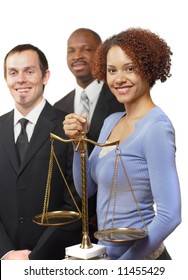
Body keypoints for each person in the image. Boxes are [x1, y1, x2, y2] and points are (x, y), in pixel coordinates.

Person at [63, 27, 182, 259]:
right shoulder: (111, 121)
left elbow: (170, 215)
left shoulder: (156, 127)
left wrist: (124, 266)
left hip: (143, 259)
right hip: (107, 254)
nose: (119, 79)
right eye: (111, 70)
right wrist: (79, 145)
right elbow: (86, 189)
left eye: (130, 68)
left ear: (148, 68)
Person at [0, 44, 82, 260]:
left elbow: (76, 201)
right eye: (13, 73)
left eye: (29, 71)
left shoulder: (68, 128)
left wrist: (35, 257)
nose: (20, 80)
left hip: (53, 258)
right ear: (6, 79)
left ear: (45, 76)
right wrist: (6, 253)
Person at [54, 28, 124, 241]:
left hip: (113, 219)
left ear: (101, 54)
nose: (77, 56)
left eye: (86, 50)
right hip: (69, 225)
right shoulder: (59, 106)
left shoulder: (121, 98)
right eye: (71, 51)